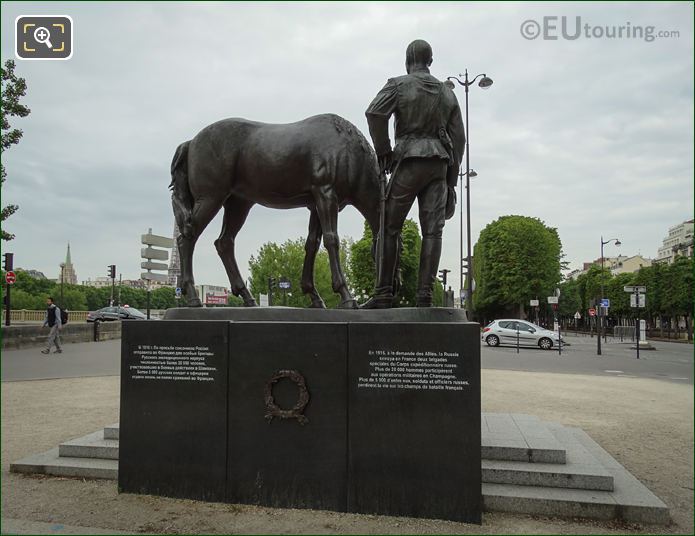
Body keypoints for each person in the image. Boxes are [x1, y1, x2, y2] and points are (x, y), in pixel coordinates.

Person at [361, 39, 465, 308]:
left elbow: (374, 113)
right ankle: (425, 295)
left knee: (388, 227)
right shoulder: (448, 93)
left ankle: (384, 293)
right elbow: (460, 140)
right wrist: (452, 183)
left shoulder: (398, 84)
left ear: (408, 59)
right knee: (433, 232)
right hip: (439, 165)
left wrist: (383, 151)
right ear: (430, 61)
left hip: (408, 160)